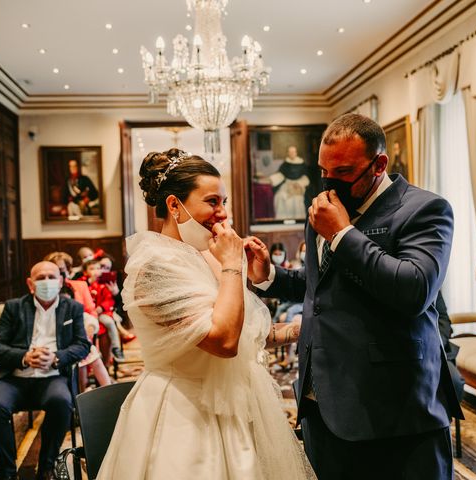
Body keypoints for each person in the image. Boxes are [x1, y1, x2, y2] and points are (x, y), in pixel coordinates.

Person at [246, 113, 462, 479]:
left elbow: (414, 290)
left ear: (379, 165)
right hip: (321, 402)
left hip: (393, 410)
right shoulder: (324, 207)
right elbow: (321, 282)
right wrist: (269, 275)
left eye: (344, 171)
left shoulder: (425, 209)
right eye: (323, 170)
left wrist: (343, 234)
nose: (329, 181)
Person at [96, 148, 313, 479]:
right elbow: (223, 342)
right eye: (213, 202)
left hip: (239, 407)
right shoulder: (154, 267)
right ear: (174, 205)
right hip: (184, 414)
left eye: (224, 202)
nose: (223, 214)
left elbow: (248, 334)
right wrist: (231, 265)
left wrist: (305, 328)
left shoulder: (208, 255)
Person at [0, 261, 91, 480]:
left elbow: (82, 345)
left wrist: (56, 358)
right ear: (30, 283)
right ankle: (6, 472)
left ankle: (47, 465)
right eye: (40, 278)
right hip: (14, 378)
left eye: (51, 277)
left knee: (61, 402)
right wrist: (24, 357)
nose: (46, 282)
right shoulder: (14, 307)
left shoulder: (72, 308)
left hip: (51, 377)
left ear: (60, 281)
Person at [44, 251, 112, 387]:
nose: (57, 273)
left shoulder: (78, 286)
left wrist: (87, 329)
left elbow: (90, 311)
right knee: (81, 354)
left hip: (80, 331)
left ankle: (106, 391)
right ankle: (80, 393)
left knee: (88, 350)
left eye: (61, 269)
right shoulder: (46, 288)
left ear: (68, 270)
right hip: (55, 335)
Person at [79, 259, 124, 360]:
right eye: (92, 269)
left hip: (101, 313)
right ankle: (88, 355)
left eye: (98, 268)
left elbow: (109, 299)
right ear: (86, 272)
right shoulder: (82, 283)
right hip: (87, 314)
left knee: (109, 322)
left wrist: (102, 307)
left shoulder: (104, 283)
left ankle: (116, 348)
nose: (96, 271)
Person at [268, 145, 310, 220]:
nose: (292, 153)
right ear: (288, 153)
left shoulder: (302, 164)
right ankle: (282, 219)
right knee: (279, 196)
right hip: (287, 184)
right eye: (290, 152)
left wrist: (300, 183)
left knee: (296, 199)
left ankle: (298, 219)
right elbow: (281, 175)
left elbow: (305, 177)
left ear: (296, 153)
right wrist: (271, 179)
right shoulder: (285, 164)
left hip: (298, 184)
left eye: (293, 152)